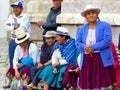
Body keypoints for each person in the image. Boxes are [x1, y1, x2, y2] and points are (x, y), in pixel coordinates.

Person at [76, 4, 116, 89]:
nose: (91, 15)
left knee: (103, 84)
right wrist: (85, 47)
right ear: (86, 16)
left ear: (97, 14)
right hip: (87, 60)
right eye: (88, 13)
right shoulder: (81, 29)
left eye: (93, 12)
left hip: (101, 60)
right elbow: (78, 43)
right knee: (89, 84)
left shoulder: (105, 26)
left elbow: (107, 41)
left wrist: (93, 47)